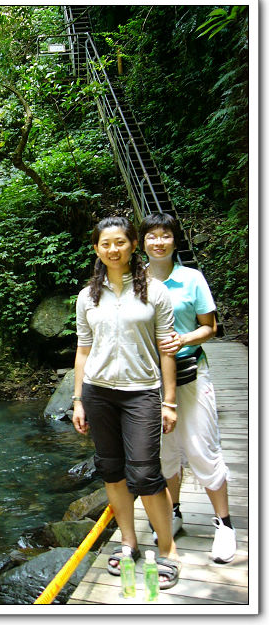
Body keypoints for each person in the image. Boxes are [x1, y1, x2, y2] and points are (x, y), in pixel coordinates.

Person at [72, 216, 181, 589]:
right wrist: (78, 399)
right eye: (105, 244)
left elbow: (167, 349)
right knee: (112, 470)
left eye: (120, 242)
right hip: (98, 392)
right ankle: (128, 542)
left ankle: (167, 550)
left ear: (133, 245)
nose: (113, 249)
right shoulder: (87, 296)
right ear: (96, 249)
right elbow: (83, 350)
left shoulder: (155, 291)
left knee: (145, 473)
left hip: (141, 391)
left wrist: (169, 401)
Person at [138, 212, 236, 564]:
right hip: (149, 380)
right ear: (142, 243)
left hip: (191, 372)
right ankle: (174, 512)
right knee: (165, 453)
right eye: (152, 236)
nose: (159, 242)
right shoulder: (136, 281)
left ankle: (224, 524)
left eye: (165, 235)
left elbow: (210, 326)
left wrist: (183, 339)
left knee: (201, 447)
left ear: (174, 240)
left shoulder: (191, 279)